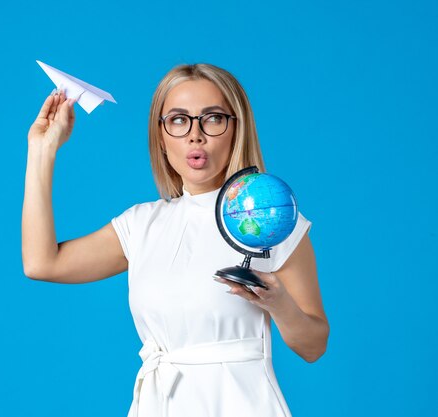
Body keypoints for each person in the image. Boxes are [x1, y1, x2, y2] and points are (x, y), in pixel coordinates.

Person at [22, 63, 329, 417]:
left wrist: (278, 303)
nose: (195, 135)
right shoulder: (141, 225)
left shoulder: (267, 217)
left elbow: (314, 346)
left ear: (236, 128)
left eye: (212, 118)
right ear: (161, 135)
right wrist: (42, 150)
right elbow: (41, 262)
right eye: (179, 120)